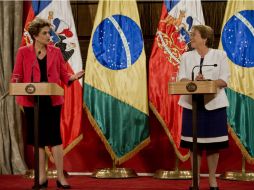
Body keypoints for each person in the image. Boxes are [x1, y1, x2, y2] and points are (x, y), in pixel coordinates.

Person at [11, 18, 84, 189]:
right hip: (32, 102)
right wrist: (14, 85)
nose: (48, 36)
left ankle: (60, 177)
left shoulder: (56, 52)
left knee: (55, 139)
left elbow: (63, 75)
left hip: (51, 101)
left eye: (49, 32)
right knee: (39, 140)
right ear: (35, 36)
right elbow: (16, 75)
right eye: (45, 33)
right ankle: (42, 177)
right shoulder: (23, 52)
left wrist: (73, 77)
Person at [178, 25, 230, 190]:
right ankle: (196, 181)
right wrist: (194, 83)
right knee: (195, 145)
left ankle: (213, 181)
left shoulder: (220, 55)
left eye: (194, 35)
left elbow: (224, 80)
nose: (191, 37)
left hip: (214, 106)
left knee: (213, 145)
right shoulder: (186, 56)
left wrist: (207, 82)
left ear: (205, 38)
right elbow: (181, 80)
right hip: (191, 105)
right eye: (191, 35)